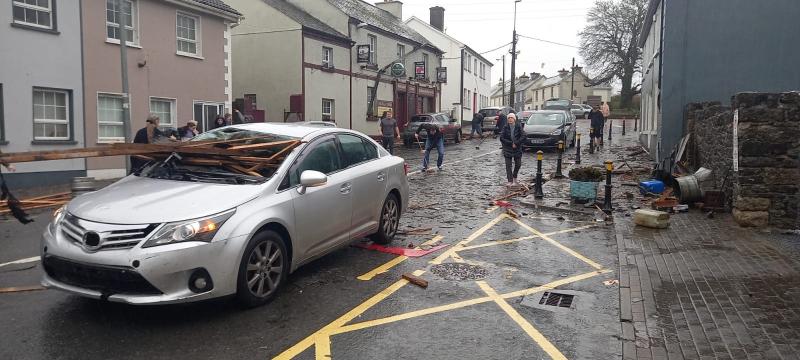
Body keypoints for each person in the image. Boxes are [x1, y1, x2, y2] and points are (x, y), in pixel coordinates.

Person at [500, 113, 524, 186]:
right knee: (508, 165)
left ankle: (514, 176)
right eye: (509, 118)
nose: (510, 119)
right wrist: (511, 143)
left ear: (514, 119)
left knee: (518, 164)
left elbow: (523, 136)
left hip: (517, 148)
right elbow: (501, 138)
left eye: (511, 118)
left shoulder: (518, 126)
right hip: (508, 148)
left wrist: (516, 143)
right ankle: (510, 180)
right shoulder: (505, 127)